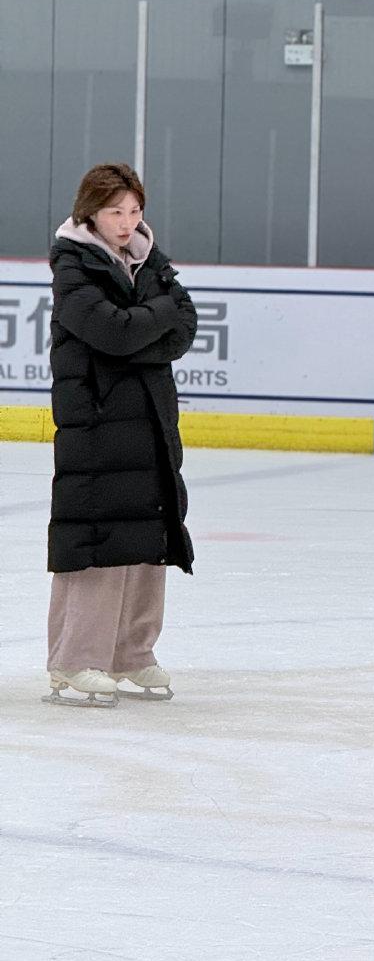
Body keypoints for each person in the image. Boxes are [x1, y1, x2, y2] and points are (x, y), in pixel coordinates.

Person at [44, 163, 197, 707]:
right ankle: (74, 659)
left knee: (148, 539)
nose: (128, 222)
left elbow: (184, 324)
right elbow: (109, 331)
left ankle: (133, 653)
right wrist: (143, 326)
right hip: (98, 423)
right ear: (91, 213)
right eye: (116, 212)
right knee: (97, 540)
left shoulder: (149, 260)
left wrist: (138, 328)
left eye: (135, 211)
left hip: (151, 421)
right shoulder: (74, 266)